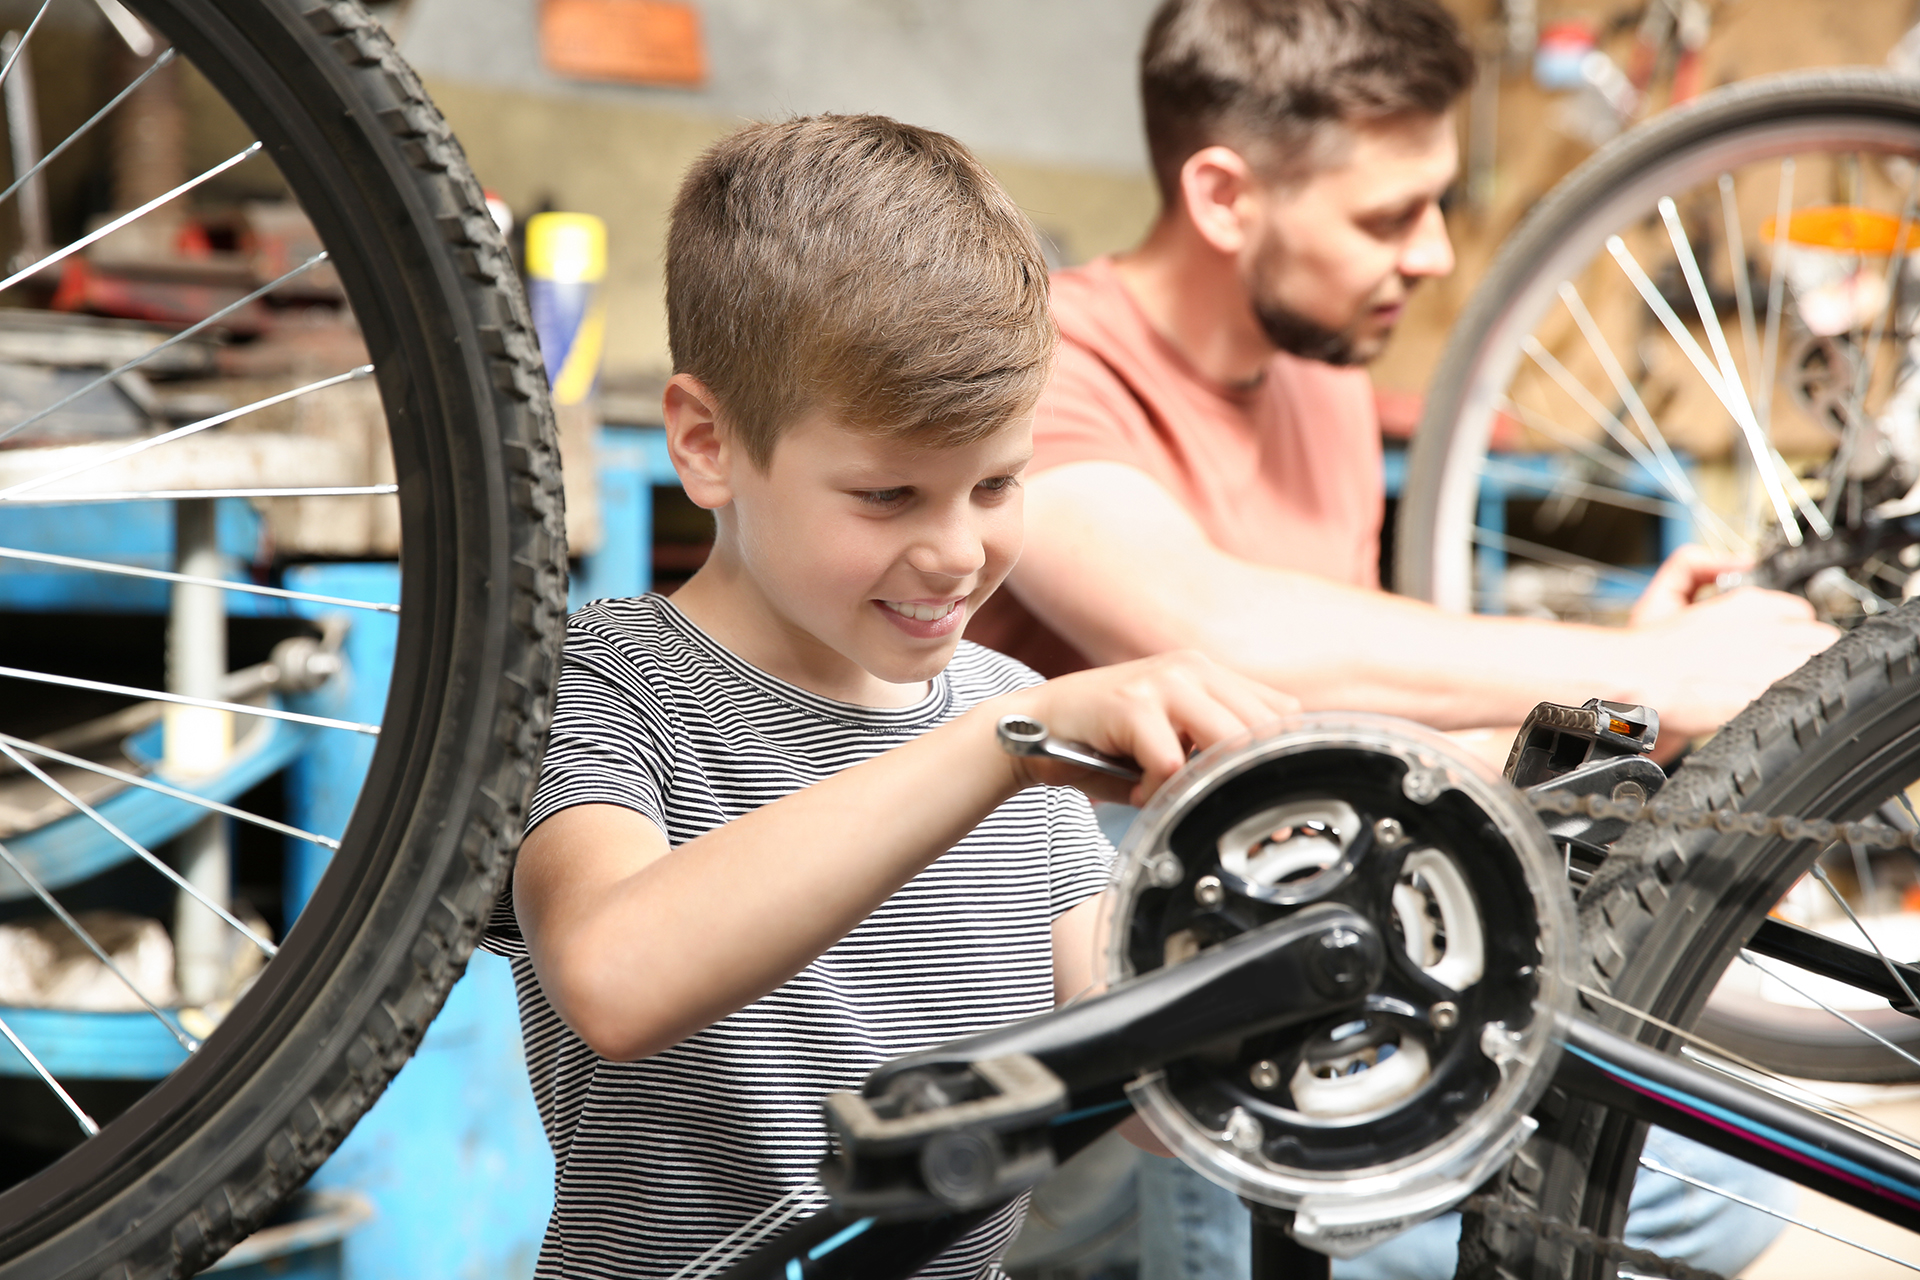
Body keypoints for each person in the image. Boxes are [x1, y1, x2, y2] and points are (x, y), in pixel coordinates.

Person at [961, 2, 1811, 1277]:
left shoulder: (1325, 385)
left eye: (1437, 204)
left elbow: (1346, 728)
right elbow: (1208, 634)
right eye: (1385, 217)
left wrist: (1606, 725)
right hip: (1074, 1029)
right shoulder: (1045, 364)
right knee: (1206, 854)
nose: (1430, 255)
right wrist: (1647, 667)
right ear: (1223, 193)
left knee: (1730, 1189)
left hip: (1310, 1000)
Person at [482, 114, 1295, 1280]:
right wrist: (1000, 746)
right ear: (708, 443)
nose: (958, 551)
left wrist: (1269, 935)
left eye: (999, 482)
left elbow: (1142, 1084)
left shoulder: (1011, 709)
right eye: (887, 494)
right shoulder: (609, 683)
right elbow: (612, 975)